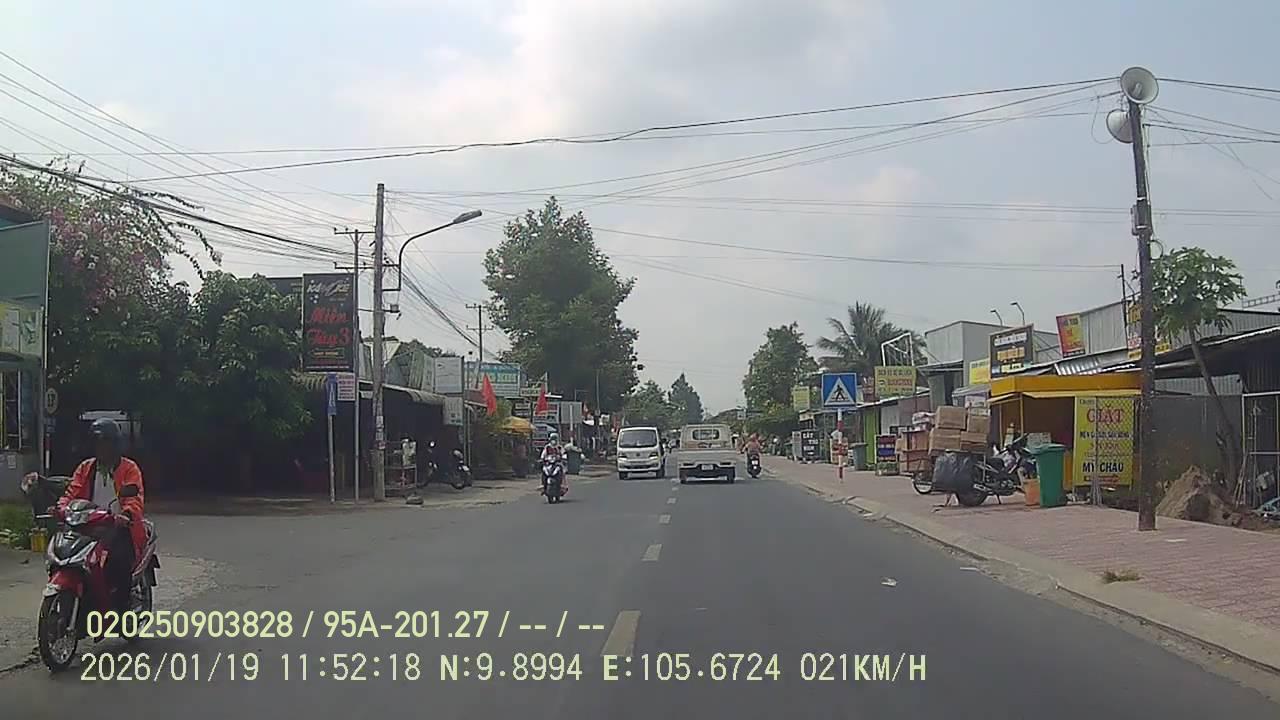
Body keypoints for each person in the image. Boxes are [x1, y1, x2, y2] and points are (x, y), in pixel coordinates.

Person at [37, 418, 144, 612]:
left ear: (115, 445)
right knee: (65, 553)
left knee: (119, 562)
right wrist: (61, 508)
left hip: (118, 526)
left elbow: (135, 498)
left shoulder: (129, 468)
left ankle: (122, 607)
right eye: (97, 443)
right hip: (87, 523)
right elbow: (72, 492)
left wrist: (127, 514)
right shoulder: (86, 467)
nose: (101, 448)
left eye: (105, 443)